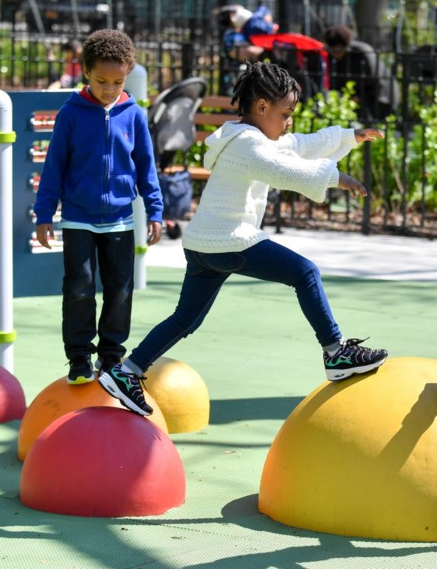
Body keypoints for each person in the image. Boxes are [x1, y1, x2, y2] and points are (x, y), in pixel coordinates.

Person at [98, 61, 388, 416]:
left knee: (185, 320)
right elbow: (282, 170)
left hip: (204, 245)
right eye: (285, 113)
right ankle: (335, 351)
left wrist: (348, 136)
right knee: (305, 273)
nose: (288, 122)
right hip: (230, 240)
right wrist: (335, 177)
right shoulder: (248, 145)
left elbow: (298, 146)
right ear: (262, 107)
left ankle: (126, 371)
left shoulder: (249, 136)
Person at [33, 29, 164, 385]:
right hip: (78, 218)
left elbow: (146, 165)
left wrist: (155, 210)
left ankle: (110, 358)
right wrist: (44, 214)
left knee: (120, 289)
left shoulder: (133, 114)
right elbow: (54, 166)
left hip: (121, 220)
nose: (110, 89)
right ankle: (78, 357)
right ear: (86, 72)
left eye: (118, 82)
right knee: (79, 287)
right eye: (101, 80)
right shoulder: (70, 114)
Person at [323, 25, 399, 122]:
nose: (335, 54)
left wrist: (357, 96)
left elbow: (372, 79)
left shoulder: (362, 52)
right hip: (355, 100)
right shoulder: (332, 57)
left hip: (380, 98)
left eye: (338, 50)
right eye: (332, 51)